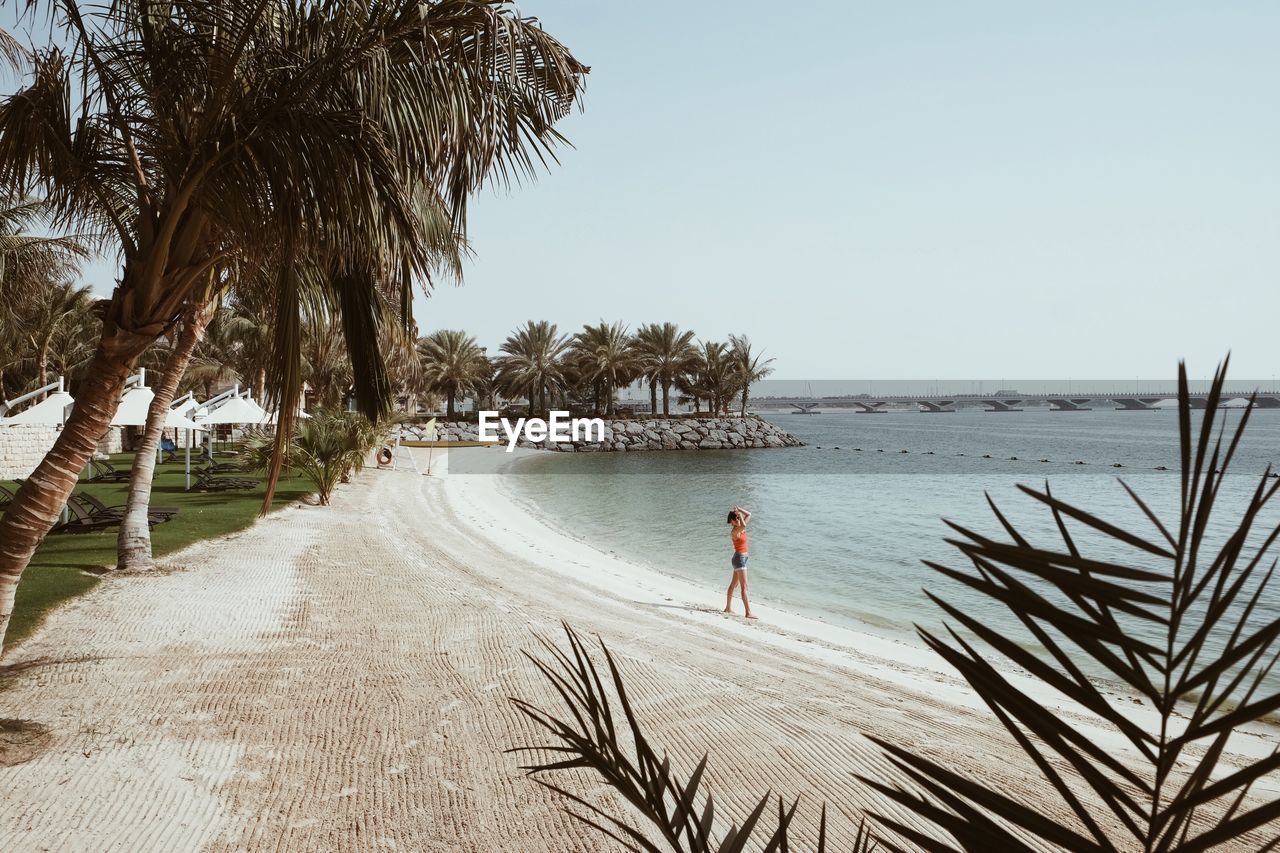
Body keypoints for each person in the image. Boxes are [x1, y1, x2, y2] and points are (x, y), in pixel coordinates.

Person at [724, 505, 755, 619]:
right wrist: (739, 514)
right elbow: (745, 524)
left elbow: (749, 515)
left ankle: (728, 608)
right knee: (744, 587)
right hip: (740, 559)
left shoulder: (741, 527)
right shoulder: (736, 530)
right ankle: (748, 612)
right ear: (732, 520)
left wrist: (739, 509)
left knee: (734, 585)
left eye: (738, 518)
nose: (738, 519)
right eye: (736, 518)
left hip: (741, 559)